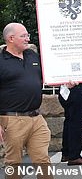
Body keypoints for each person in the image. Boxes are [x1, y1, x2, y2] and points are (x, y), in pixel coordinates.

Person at [0, 23, 53, 179]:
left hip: (37, 119)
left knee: (43, 160)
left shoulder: (32, 55)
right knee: (13, 163)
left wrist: (67, 82)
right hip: (11, 120)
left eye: (27, 35)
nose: (27, 39)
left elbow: (49, 75)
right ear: (11, 38)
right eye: (23, 36)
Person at [58, 81, 82, 165]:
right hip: (76, 88)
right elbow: (79, 70)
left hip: (64, 88)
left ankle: (66, 153)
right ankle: (74, 156)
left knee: (69, 121)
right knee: (77, 122)